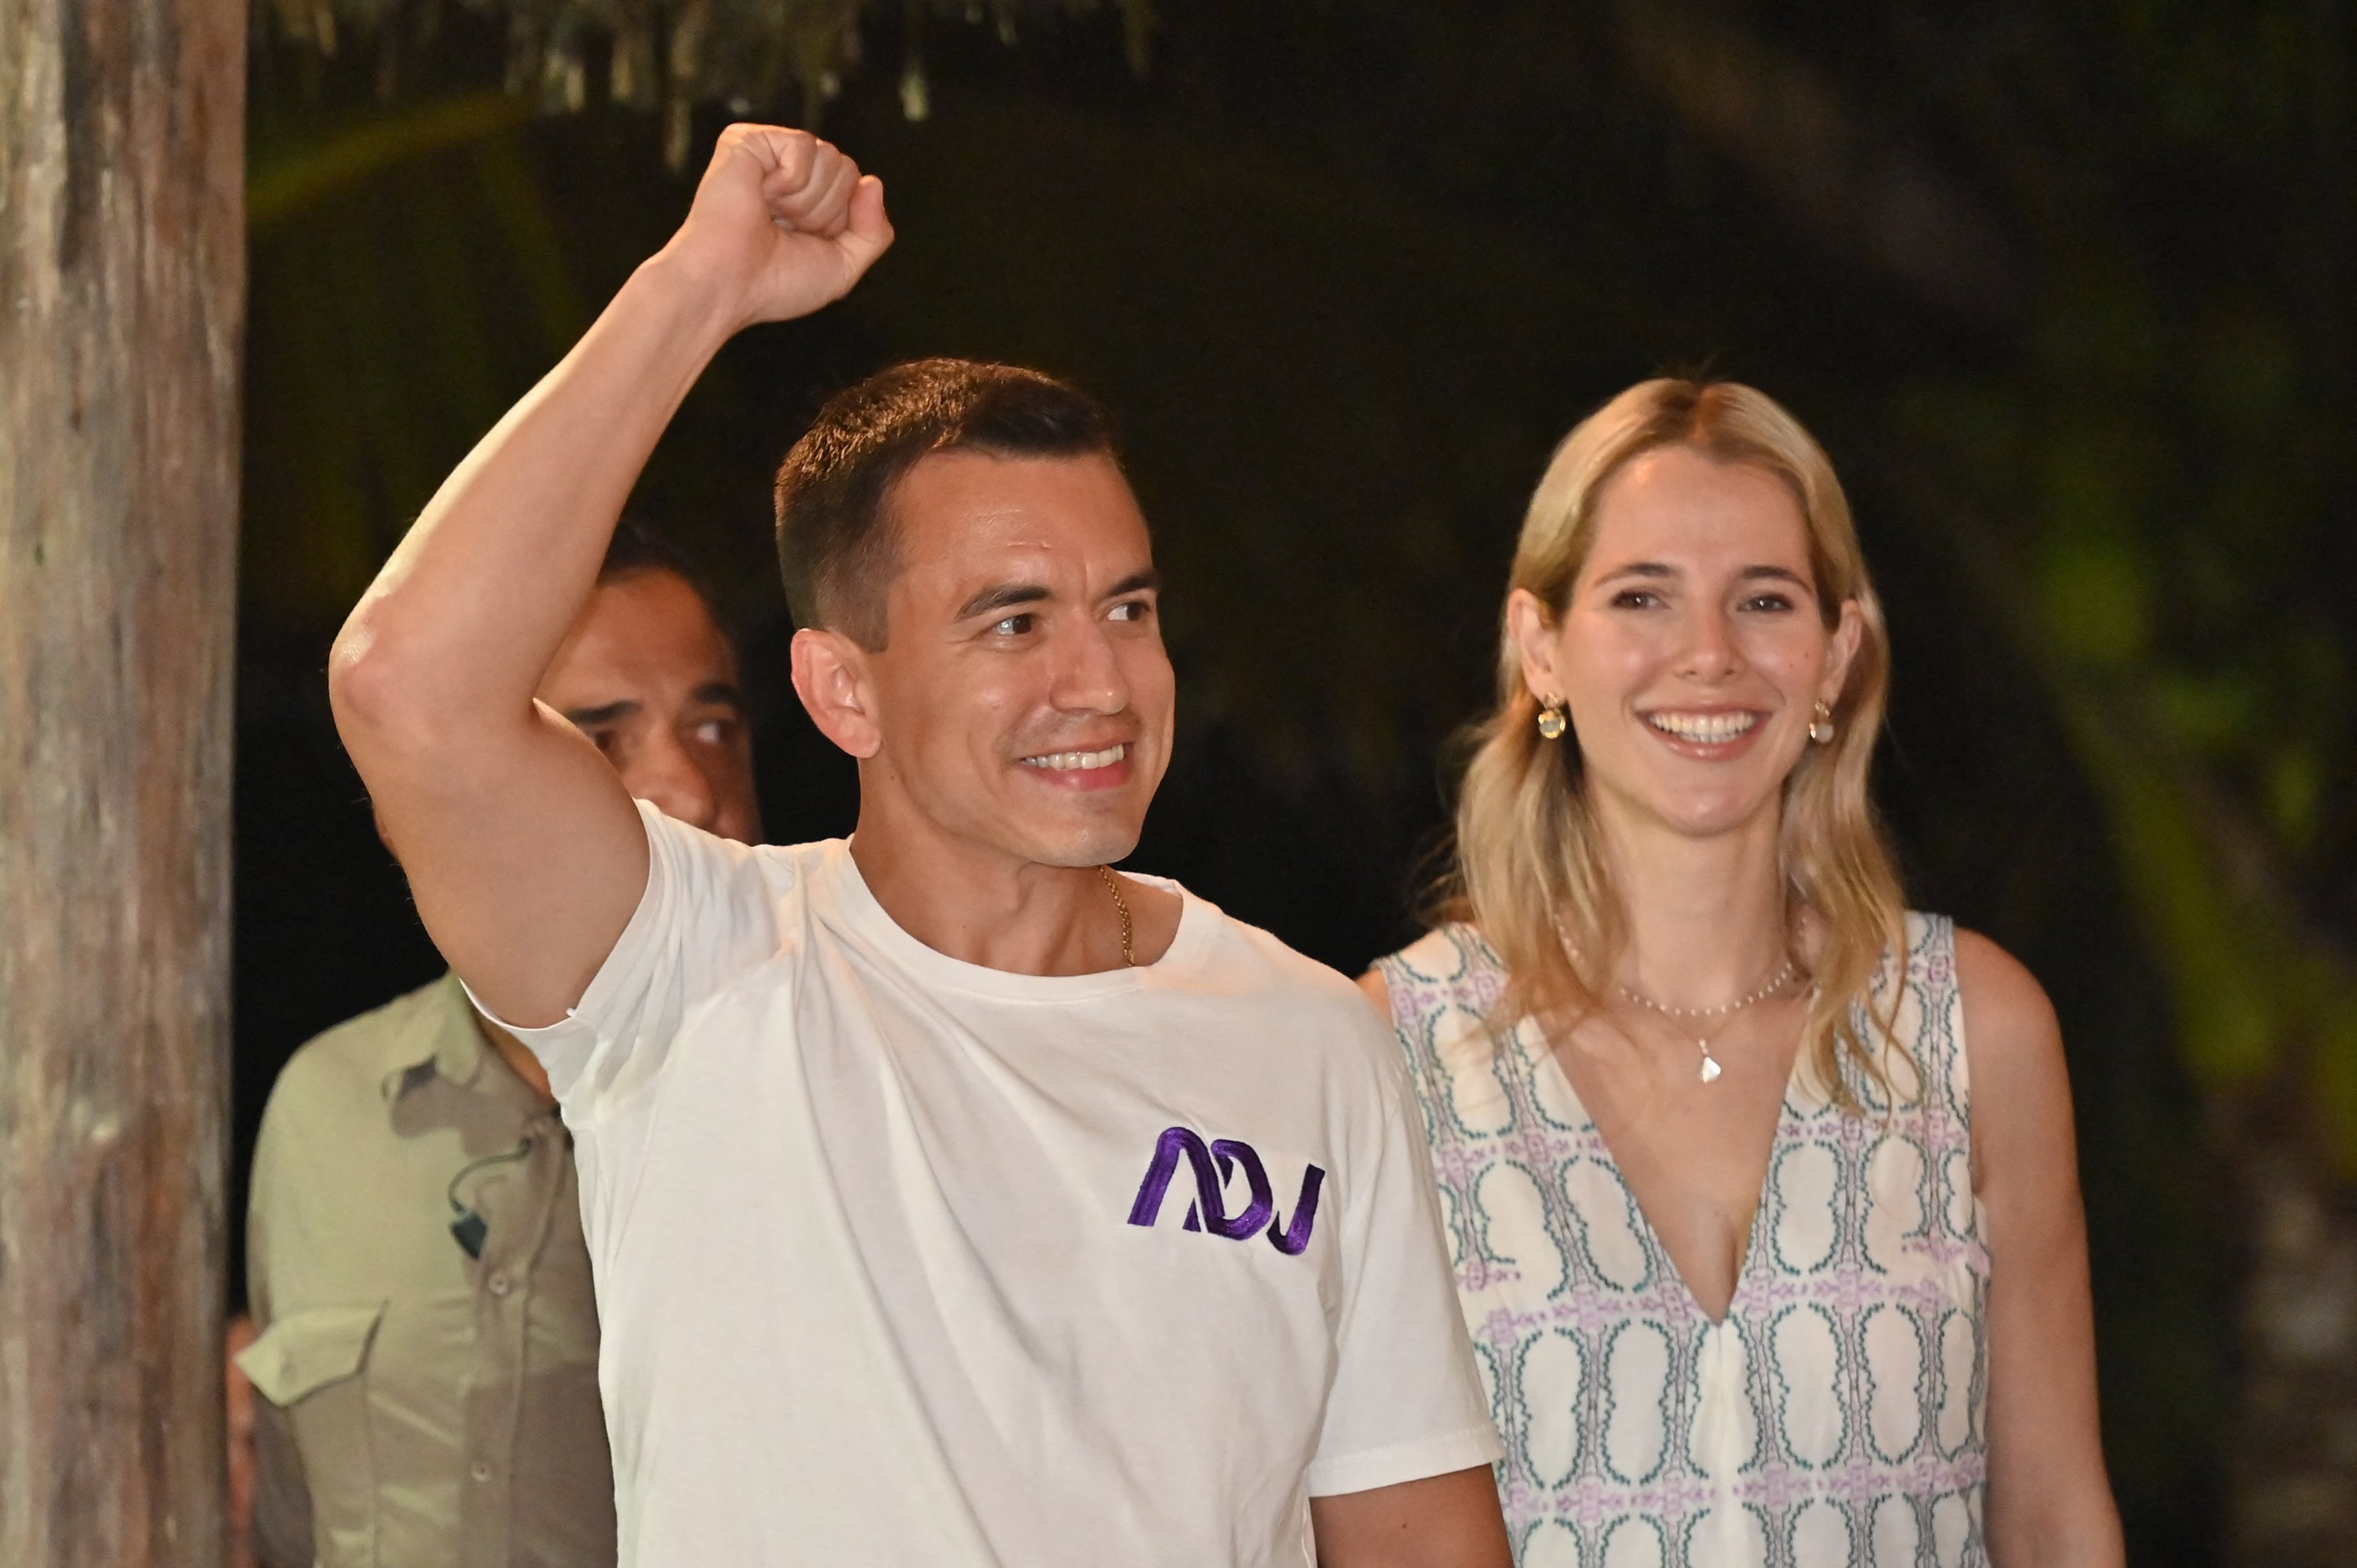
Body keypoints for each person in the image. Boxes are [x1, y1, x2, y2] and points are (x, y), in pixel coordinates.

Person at [325, 123, 1510, 1567]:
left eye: (1124, 609)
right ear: (841, 688)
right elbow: (410, 689)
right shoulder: (686, 966)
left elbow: (1413, 1537)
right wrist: (697, 283)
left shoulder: (1310, 1042)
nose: (1101, 680)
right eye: (1015, 621)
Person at [1359, 380, 2125, 1567]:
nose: (1708, 655)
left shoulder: (1976, 1028)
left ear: (1836, 654)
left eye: (1764, 600)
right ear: (1542, 647)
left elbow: (2058, 1522)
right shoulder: (1395, 1049)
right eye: (1641, 597)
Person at [241, 521, 760, 1568]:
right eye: (601, 738)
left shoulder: (820, 1098)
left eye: (712, 730)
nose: (690, 792)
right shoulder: (325, 1106)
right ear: (413, 804)